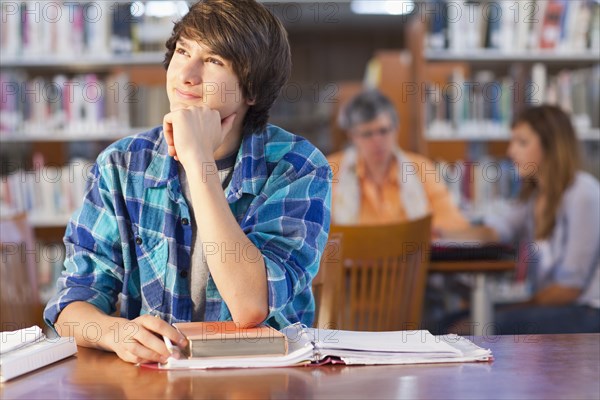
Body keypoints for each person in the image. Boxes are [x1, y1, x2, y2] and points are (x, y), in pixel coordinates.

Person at [44, 0, 332, 364]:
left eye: (214, 61)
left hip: (261, 379)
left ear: (252, 89)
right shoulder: (121, 164)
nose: (185, 75)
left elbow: (250, 305)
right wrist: (116, 332)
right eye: (183, 51)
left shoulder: (298, 166)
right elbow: (72, 303)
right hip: (155, 378)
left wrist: (199, 163)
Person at [440, 105, 600, 334]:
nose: (510, 151)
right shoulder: (532, 197)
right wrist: (441, 232)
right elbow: (494, 231)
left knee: (476, 325)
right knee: (446, 323)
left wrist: (511, 310)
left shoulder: (584, 193)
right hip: (551, 306)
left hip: (586, 310)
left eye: (522, 143)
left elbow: (569, 289)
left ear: (551, 146)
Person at [327, 89, 469, 231]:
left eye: (383, 131)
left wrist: (431, 232)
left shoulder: (421, 168)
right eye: (367, 134)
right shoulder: (330, 170)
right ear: (352, 137)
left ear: (397, 129)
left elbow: (454, 223)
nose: (377, 140)